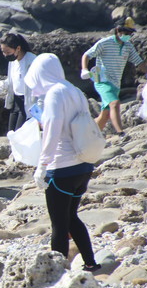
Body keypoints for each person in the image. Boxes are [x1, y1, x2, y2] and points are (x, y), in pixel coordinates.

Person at [24, 53, 101, 272]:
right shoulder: (74, 90)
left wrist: (42, 165)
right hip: (83, 166)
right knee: (71, 217)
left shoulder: (54, 95)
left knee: (58, 224)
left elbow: (53, 131)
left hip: (63, 168)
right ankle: (91, 263)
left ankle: (57, 273)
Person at [81, 17, 147, 137]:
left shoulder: (128, 46)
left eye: (130, 33)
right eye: (126, 32)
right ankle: (121, 133)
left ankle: (87, 135)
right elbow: (87, 55)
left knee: (105, 115)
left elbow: (139, 62)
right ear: (118, 30)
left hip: (115, 83)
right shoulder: (104, 43)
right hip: (102, 81)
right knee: (115, 103)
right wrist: (84, 69)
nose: (129, 35)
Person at [0, 33, 38, 132]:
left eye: (8, 52)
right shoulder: (13, 61)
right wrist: (3, 85)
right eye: (3, 52)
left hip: (29, 103)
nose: (5, 55)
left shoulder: (32, 60)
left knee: (19, 134)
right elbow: (14, 79)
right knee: (11, 133)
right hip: (16, 101)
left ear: (18, 48)